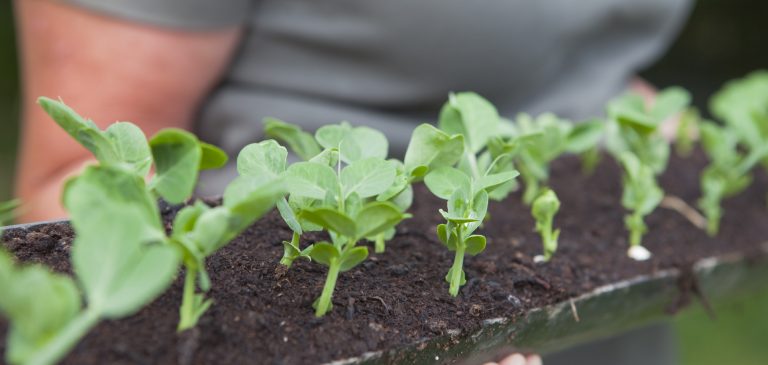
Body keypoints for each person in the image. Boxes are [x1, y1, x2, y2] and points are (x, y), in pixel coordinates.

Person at [14, 1, 692, 364]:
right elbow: (79, 189)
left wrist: (625, 112)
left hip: (608, 323)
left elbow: (585, 56)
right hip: (272, 314)